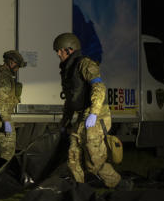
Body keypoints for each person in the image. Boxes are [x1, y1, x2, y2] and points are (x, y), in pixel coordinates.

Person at [53, 32, 124, 189]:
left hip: (97, 113)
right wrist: (64, 122)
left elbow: (98, 87)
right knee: (73, 155)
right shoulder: (67, 70)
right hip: (83, 114)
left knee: (94, 160)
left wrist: (93, 113)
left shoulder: (85, 64)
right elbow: (71, 100)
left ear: (70, 50)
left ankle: (118, 183)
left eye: (60, 50)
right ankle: (79, 190)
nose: (58, 54)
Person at [0, 49, 26, 160]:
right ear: (11, 63)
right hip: (1, 120)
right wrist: (6, 121)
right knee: (7, 153)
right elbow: (0, 100)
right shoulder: (4, 77)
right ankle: (1, 176)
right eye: (17, 66)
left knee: (1, 152)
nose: (17, 70)